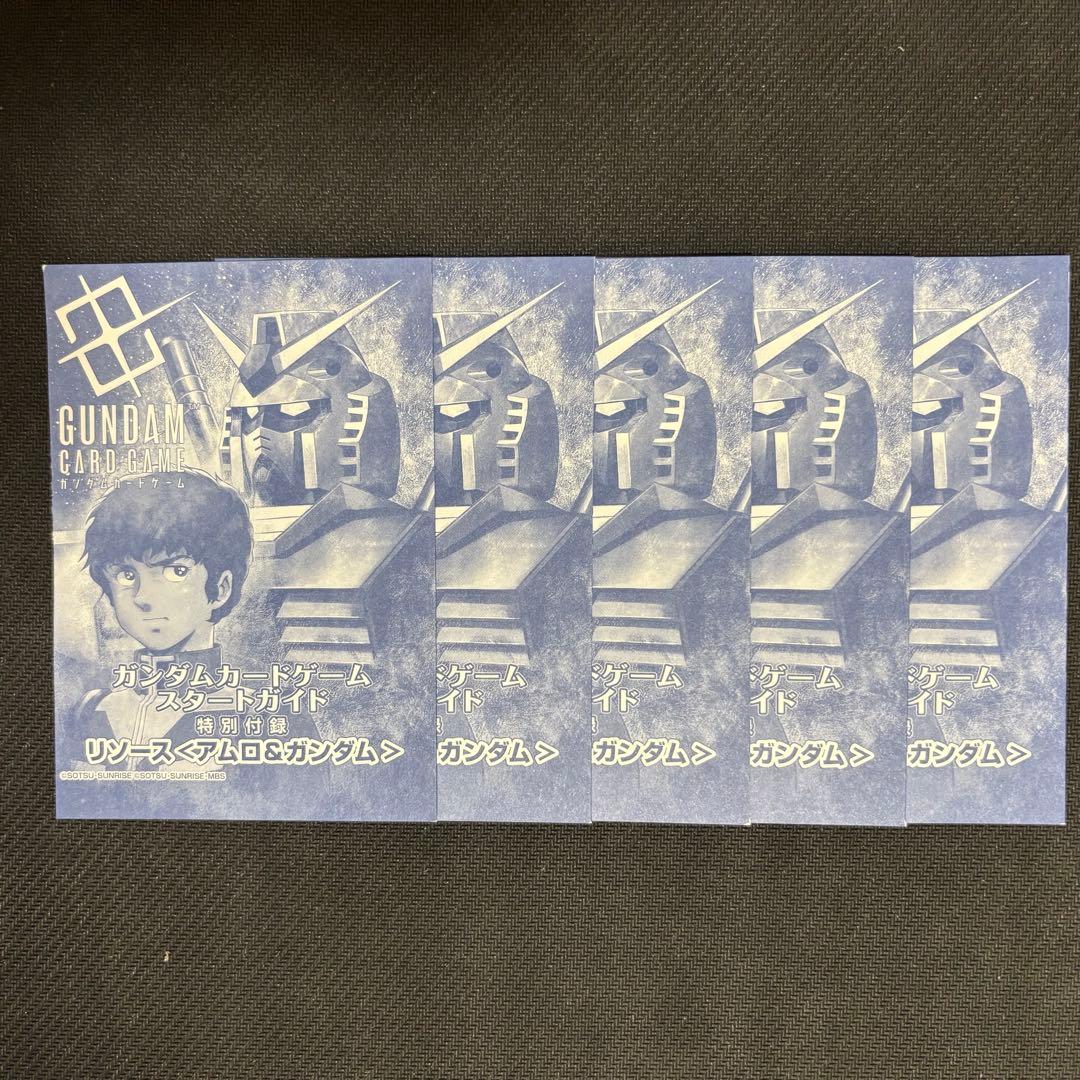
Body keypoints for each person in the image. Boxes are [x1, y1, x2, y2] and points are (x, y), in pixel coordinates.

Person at [72, 470, 253, 764]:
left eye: (175, 571)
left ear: (221, 589)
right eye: (126, 574)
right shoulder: (89, 710)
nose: (144, 597)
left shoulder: (257, 714)